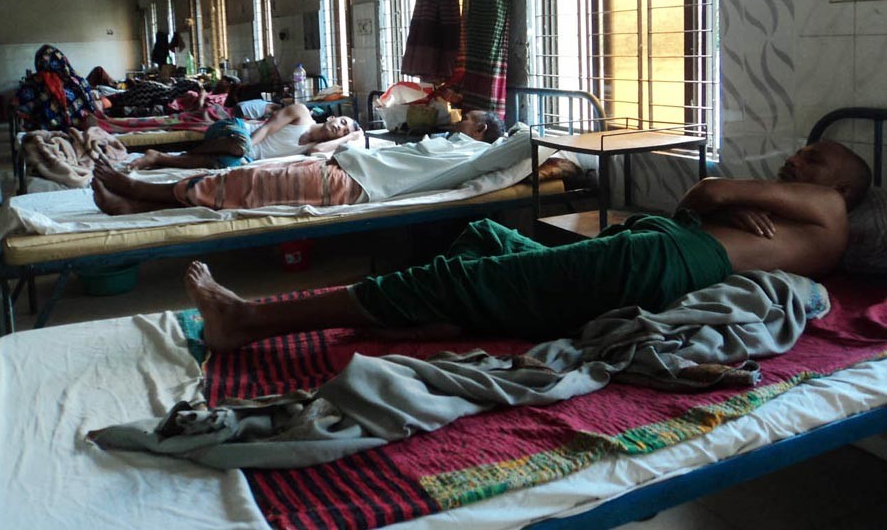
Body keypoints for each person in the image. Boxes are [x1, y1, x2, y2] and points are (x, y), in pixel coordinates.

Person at [178, 139, 871, 353]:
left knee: (456, 275)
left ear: (843, 185)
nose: (797, 159)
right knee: (486, 235)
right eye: (803, 152)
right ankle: (448, 317)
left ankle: (250, 320)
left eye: (815, 159)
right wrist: (721, 203)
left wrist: (724, 199)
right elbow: (706, 199)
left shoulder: (831, 208)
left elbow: (707, 191)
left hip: (661, 258)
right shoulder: (801, 218)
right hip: (659, 245)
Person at [91, 109, 508, 213]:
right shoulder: (452, 141)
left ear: (482, 131)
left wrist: (526, 137)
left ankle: (138, 190)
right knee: (249, 174)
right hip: (347, 168)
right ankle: (138, 203)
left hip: (357, 185)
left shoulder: (475, 153)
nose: (459, 118)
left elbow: (521, 146)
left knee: (247, 186)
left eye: (468, 118)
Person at [127, 103, 363, 170]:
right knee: (239, 148)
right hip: (235, 130)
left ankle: (158, 158)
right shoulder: (301, 113)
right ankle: (185, 153)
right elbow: (267, 129)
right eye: (342, 122)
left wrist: (348, 139)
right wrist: (246, 148)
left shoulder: (317, 146)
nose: (339, 128)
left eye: (344, 131)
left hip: (240, 152)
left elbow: (316, 152)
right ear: (332, 117)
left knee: (227, 166)